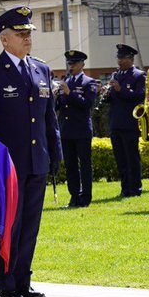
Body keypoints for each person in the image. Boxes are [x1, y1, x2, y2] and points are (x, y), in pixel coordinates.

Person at [0, 6, 61, 297]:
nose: (27, 38)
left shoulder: (41, 69)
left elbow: (49, 119)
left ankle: (23, 281)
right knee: (10, 225)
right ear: (5, 39)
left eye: (29, 33)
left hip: (37, 160)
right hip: (7, 165)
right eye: (20, 34)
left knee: (31, 225)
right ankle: (5, 282)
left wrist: (55, 153)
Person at [55, 49, 99, 207]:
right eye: (69, 63)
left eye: (74, 63)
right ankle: (74, 197)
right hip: (67, 129)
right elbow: (59, 106)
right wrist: (56, 97)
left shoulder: (89, 82)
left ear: (82, 64)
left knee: (85, 165)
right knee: (70, 165)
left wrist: (70, 93)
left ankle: (85, 197)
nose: (71, 66)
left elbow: (87, 104)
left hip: (81, 130)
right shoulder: (67, 81)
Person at [105, 44, 145, 197]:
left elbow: (139, 96)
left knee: (131, 157)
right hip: (116, 122)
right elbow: (112, 99)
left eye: (123, 58)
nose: (120, 61)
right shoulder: (116, 75)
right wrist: (107, 94)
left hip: (129, 122)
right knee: (120, 158)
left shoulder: (138, 75)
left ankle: (135, 188)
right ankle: (125, 188)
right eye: (118, 58)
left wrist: (120, 90)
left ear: (131, 59)